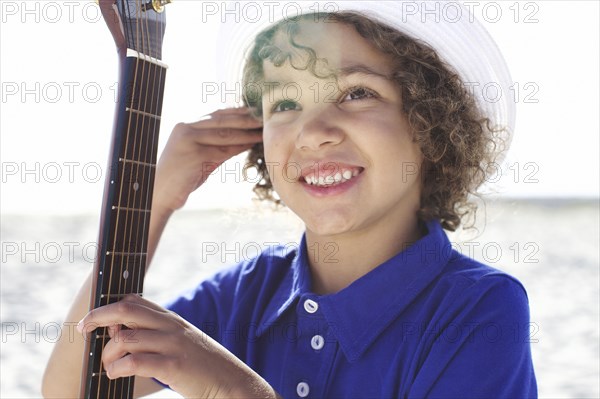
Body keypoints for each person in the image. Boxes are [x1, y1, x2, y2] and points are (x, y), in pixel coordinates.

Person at [43, 2, 537, 398]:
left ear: (431, 126)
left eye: (356, 92)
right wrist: (153, 200)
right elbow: (69, 390)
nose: (313, 132)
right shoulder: (245, 295)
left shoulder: (478, 309)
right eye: (284, 104)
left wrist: (233, 390)